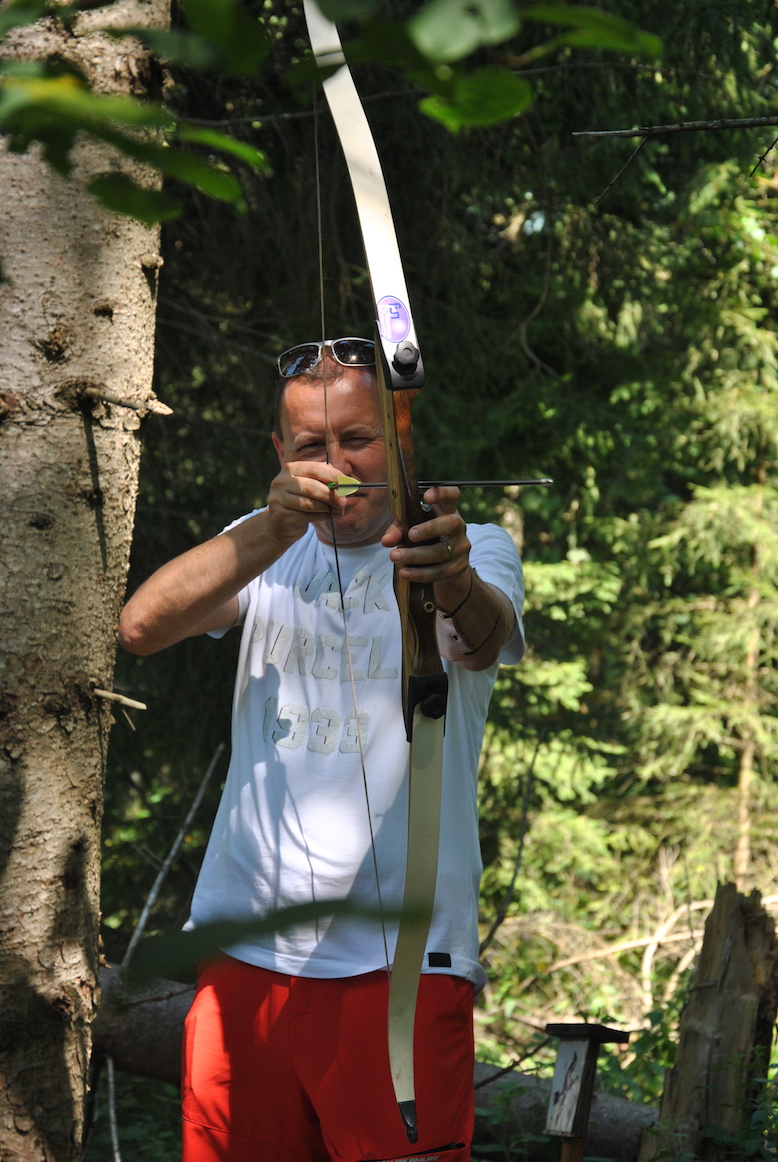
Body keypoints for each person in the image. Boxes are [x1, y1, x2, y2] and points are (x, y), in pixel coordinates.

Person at [119, 336, 525, 1162]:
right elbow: (141, 626)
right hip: (246, 949)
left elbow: (482, 640)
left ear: (402, 440)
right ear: (281, 453)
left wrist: (448, 575)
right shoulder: (266, 545)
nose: (337, 464)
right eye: (313, 445)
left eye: (359, 439)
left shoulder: (472, 546)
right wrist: (270, 530)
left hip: (404, 964)